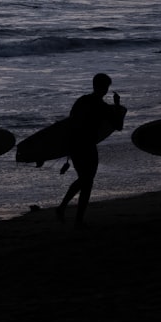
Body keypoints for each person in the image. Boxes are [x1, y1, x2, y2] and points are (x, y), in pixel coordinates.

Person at [56, 73, 127, 227]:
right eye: (106, 87)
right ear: (104, 88)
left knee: (85, 180)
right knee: (86, 180)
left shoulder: (81, 101)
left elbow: (69, 123)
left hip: (74, 144)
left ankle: (70, 214)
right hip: (87, 146)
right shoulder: (102, 107)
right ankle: (67, 212)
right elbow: (119, 126)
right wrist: (117, 105)